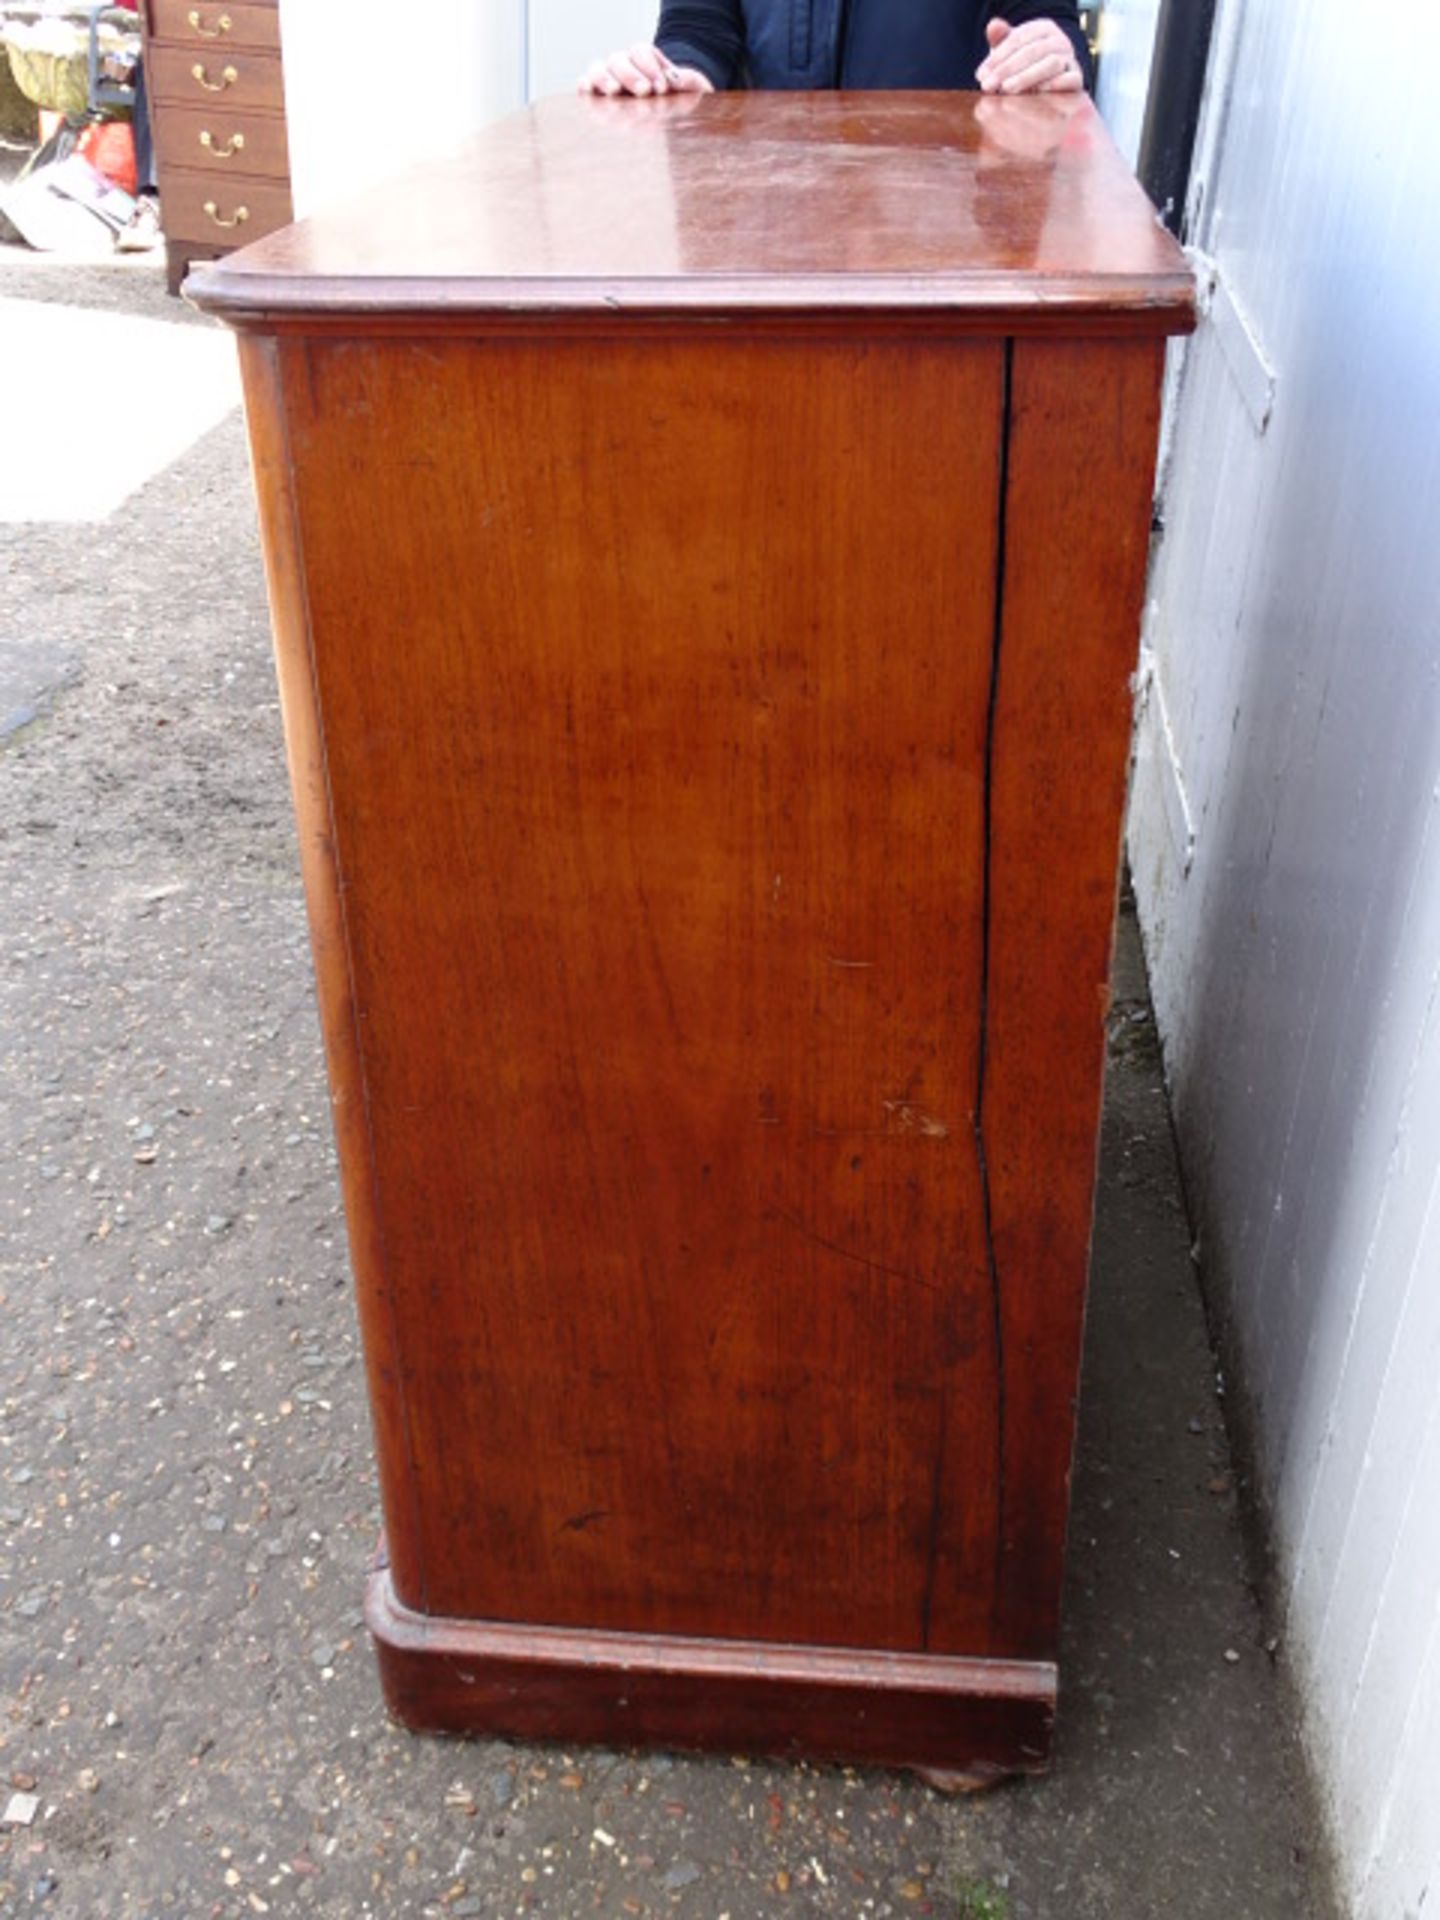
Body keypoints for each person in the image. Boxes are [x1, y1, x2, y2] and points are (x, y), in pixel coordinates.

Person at [581, 2, 1092, 100]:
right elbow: (698, 28)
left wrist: (1045, 52)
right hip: (759, 244)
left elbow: (1043, 20)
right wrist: (675, 75)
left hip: (942, 257)